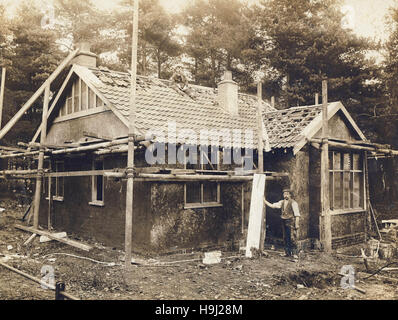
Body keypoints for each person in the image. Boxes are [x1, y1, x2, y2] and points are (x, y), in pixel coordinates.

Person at [264, 188, 300, 258]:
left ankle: (295, 254)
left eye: (287, 194)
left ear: (290, 195)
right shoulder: (282, 202)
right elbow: (273, 206)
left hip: (291, 221)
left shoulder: (294, 203)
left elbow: (297, 215)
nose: (285, 195)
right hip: (284, 221)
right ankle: (287, 253)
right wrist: (264, 201)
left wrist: (297, 224)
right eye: (284, 194)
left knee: (292, 237)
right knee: (285, 237)